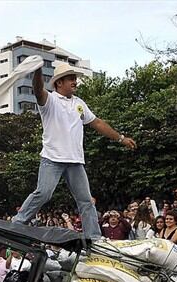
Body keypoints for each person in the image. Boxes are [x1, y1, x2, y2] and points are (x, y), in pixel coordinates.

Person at [12, 62, 136, 239]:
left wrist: (121, 138)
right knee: (44, 193)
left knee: (86, 200)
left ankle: (93, 237)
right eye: (71, 79)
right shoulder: (50, 100)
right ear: (59, 83)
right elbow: (38, 91)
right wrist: (38, 71)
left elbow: (98, 123)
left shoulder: (79, 103)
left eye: (75, 78)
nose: (75, 81)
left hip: (75, 161)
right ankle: (18, 222)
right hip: (52, 158)